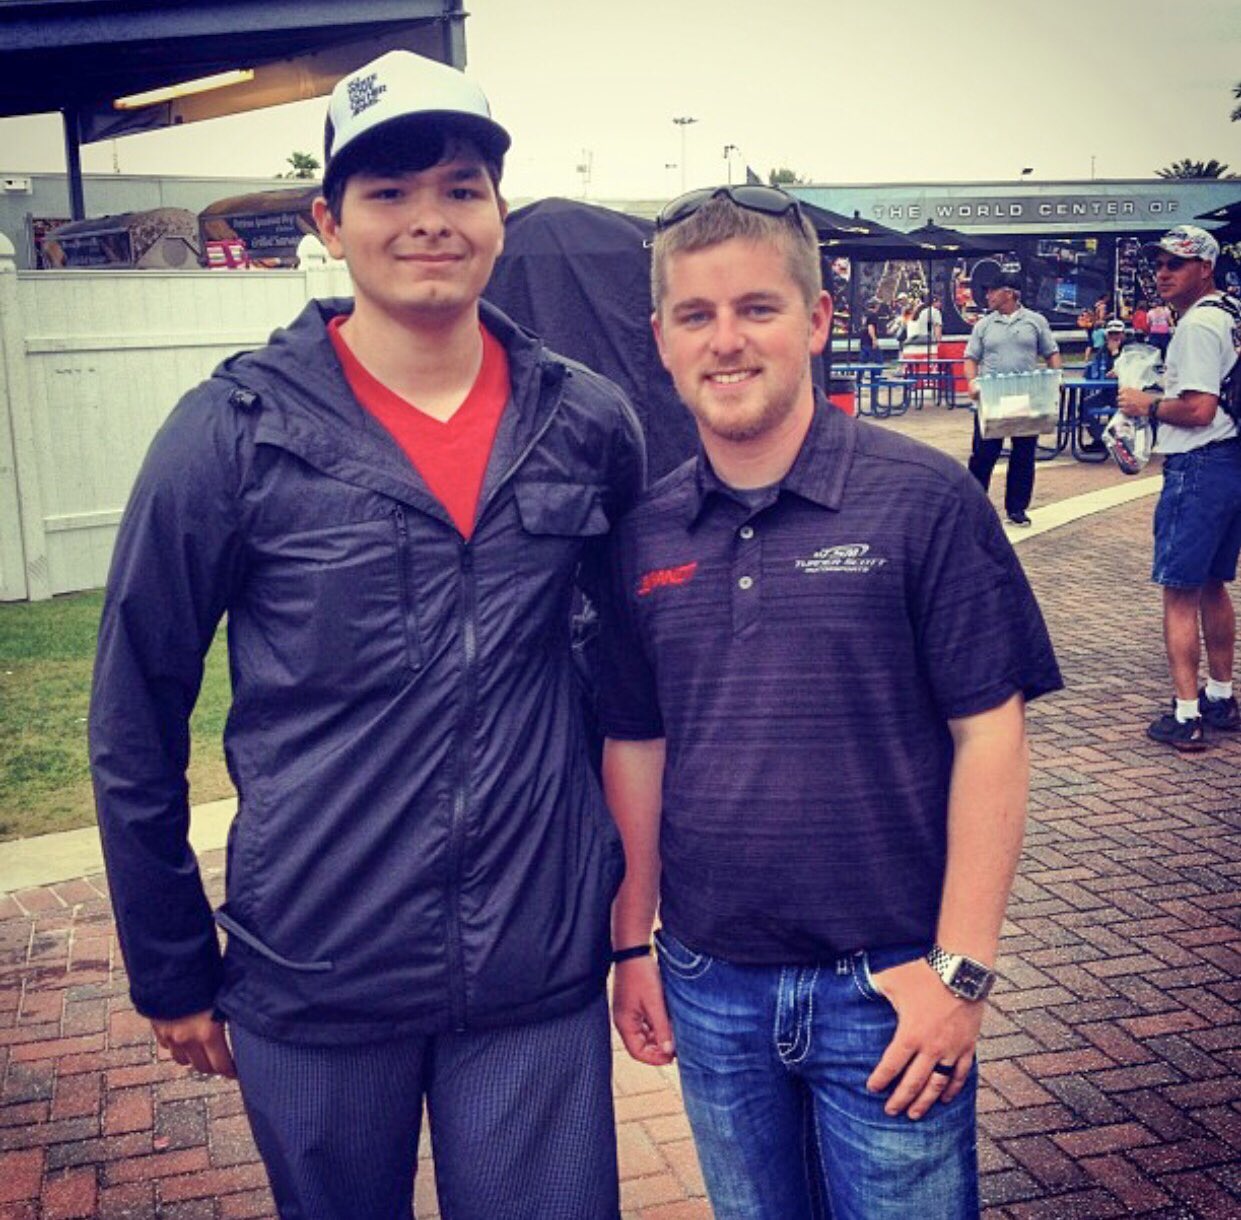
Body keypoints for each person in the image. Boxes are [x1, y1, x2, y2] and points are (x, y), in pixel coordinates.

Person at [89, 50, 646, 1220]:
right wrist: (171, 957)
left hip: (532, 968)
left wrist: (633, 915)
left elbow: (636, 681)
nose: (427, 220)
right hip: (314, 967)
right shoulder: (231, 433)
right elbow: (134, 710)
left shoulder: (586, 422)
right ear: (329, 223)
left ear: (497, 211)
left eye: (457, 187)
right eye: (388, 194)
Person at [600, 185, 1063, 1220]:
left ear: (815, 322)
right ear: (662, 340)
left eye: (756, 308)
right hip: (710, 986)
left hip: (890, 987)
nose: (726, 340)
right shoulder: (643, 534)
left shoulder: (922, 499)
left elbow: (990, 733)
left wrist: (961, 971)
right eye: (695, 315)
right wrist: (630, 941)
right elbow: (636, 742)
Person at [1116, 224, 1241, 751]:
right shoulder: (1231, 315)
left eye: (1178, 264)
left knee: (1179, 592)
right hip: (1232, 459)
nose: (1164, 273)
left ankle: (1186, 714)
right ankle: (1220, 695)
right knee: (1214, 583)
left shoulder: (1196, 327)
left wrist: (1146, 405)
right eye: (1161, 263)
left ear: (1205, 268)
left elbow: (1197, 408)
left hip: (1198, 465)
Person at [964, 270, 1063, 526]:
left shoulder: (1036, 321)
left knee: (1023, 453)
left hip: (1024, 395)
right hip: (991, 397)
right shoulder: (984, 325)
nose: (987, 296)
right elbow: (971, 358)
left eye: (992, 290)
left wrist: (1055, 379)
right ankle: (974, 508)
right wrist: (972, 382)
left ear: (1009, 293)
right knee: (983, 454)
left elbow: (1051, 353)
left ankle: (1017, 508)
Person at [1081, 318, 1127, 446]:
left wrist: (1115, 353)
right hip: (1107, 391)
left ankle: (1111, 442)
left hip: (1124, 393)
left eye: (1117, 333)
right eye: (1111, 334)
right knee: (1085, 406)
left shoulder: (1129, 348)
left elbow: (1126, 369)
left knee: (1116, 412)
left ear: (1123, 334)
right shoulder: (1103, 348)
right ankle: (1100, 438)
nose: (1114, 337)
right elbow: (1095, 366)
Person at [859, 297, 882, 365]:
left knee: (863, 360)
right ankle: (876, 374)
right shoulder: (873, 315)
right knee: (878, 360)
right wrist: (874, 339)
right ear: (876, 305)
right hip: (870, 341)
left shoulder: (865, 314)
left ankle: (860, 375)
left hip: (863, 340)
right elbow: (870, 327)